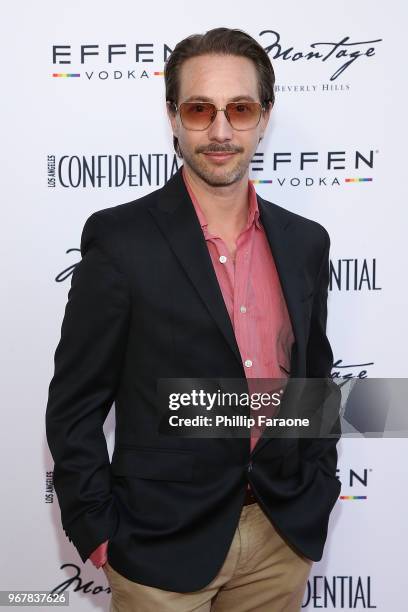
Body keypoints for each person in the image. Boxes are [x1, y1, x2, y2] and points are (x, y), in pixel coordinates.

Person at [46, 27, 341, 612]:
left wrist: (319, 490)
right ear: (174, 117)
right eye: (201, 109)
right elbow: (75, 404)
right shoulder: (120, 239)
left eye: (241, 108)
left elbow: (314, 384)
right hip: (157, 545)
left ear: (265, 116)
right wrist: (101, 533)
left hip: (279, 538)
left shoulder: (305, 243)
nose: (222, 130)